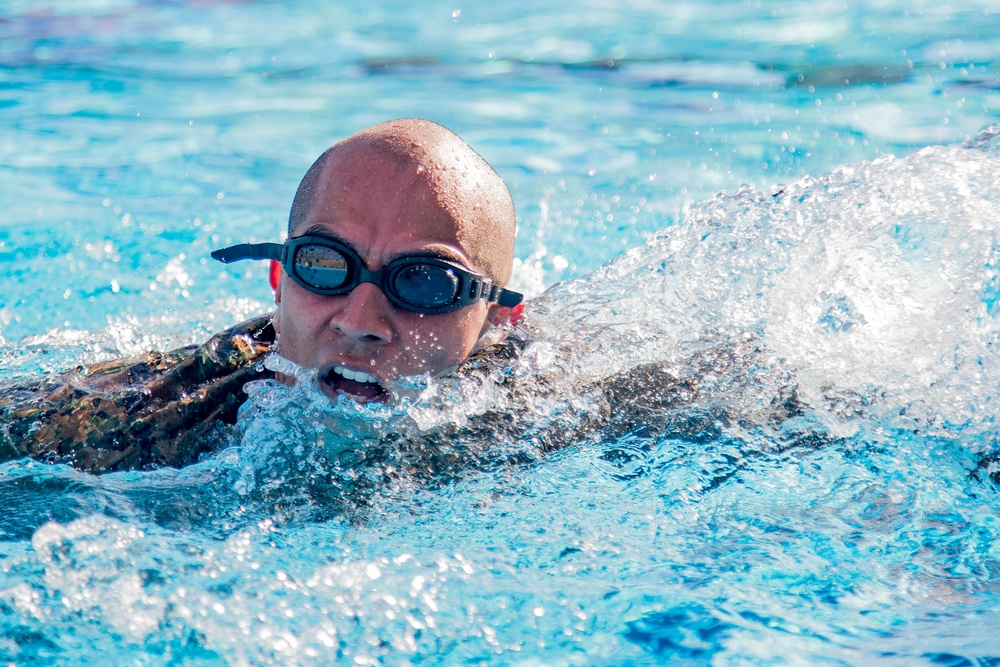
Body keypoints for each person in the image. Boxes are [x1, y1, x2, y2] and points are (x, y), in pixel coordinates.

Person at [0, 119, 526, 473]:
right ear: (279, 278)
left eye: (426, 281)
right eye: (325, 265)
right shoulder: (136, 421)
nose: (360, 320)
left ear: (498, 318)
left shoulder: (549, 410)